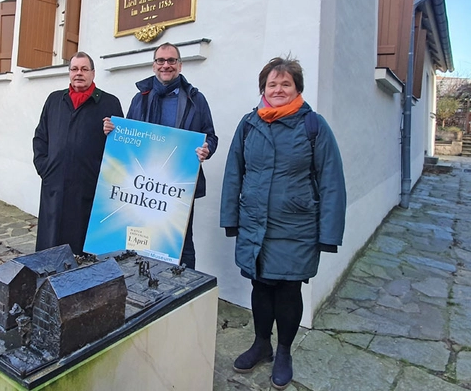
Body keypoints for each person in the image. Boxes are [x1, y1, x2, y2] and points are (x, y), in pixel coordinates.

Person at [220, 56, 346, 390]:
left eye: (285, 84)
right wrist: (231, 219)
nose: (278, 89)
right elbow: (235, 173)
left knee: (289, 290)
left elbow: (332, 180)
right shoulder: (248, 125)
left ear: (296, 89)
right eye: (272, 84)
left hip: (297, 227)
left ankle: (284, 352)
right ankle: (261, 344)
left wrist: (328, 234)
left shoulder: (313, 126)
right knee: (260, 287)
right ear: (264, 88)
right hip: (255, 225)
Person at [103, 42, 218, 269]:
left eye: (171, 60)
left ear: (180, 65)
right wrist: (113, 131)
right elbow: (128, 140)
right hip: (142, 187)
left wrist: (206, 149)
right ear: (154, 66)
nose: (166, 65)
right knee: (141, 240)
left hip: (178, 186)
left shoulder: (196, 99)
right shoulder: (140, 99)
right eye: (161, 61)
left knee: (181, 244)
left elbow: (211, 137)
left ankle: (182, 294)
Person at [33, 52, 123, 255]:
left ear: (93, 73)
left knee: (82, 249)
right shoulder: (55, 100)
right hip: (54, 186)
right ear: (69, 73)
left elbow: (120, 147)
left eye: (84, 69)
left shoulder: (109, 103)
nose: (79, 73)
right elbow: (40, 137)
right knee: (51, 246)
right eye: (74, 69)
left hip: (88, 188)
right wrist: (44, 168)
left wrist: (113, 132)